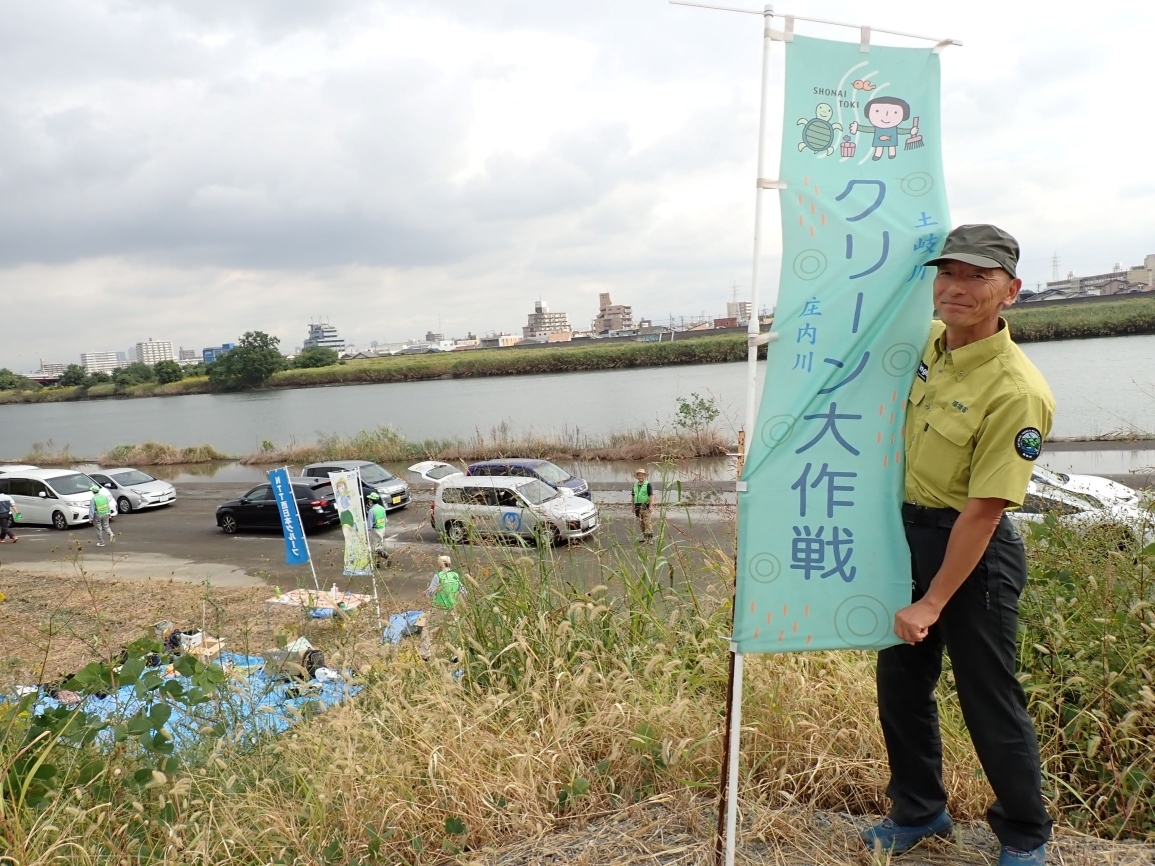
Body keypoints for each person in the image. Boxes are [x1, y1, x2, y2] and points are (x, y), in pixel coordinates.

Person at [861, 225, 1054, 866]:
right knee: (901, 686)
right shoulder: (928, 344)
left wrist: (933, 601)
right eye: (948, 273)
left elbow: (984, 511)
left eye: (978, 276)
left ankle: (1024, 834)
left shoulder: (1016, 390)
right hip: (909, 538)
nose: (957, 288)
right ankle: (920, 813)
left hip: (973, 553)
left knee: (987, 695)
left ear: (1011, 291)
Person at [420, 555, 467, 661]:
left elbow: (431, 592)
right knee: (452, 632)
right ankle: (455, 656)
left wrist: (425, 593)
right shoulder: (455, 575)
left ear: (439, 564)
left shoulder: (438, 576)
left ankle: (425, 655)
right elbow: (464, 592)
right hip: (451, 608)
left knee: (427, 630)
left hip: (438, 608)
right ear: (450, 564)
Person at [631, 468, 654, 544]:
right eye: (639, 475)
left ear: (644, 476)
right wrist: (632, 506)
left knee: (647, 523)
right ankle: (645, 538)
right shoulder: (635, 485)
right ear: (637, 476)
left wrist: (650, 506)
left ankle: (650, 539)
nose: (640, 477)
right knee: (641, 523)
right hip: (637, 507)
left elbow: (651, 495)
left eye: (642, 475)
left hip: (645, 506)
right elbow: (633, 496)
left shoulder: (648, 484)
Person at [367, 492, 389, 562]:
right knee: (379, 546)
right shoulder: (382, 508)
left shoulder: (371, 510)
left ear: (371, 501)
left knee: (375, 548)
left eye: (369, 499)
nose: (369, 501)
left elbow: (370, 524)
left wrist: (368, 532)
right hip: (382, 528)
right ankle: (377, 562)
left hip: (375, 530)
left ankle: (386, 556)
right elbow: (385, 520)